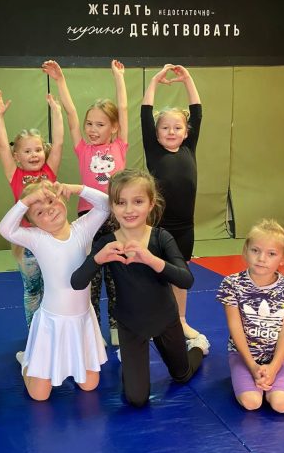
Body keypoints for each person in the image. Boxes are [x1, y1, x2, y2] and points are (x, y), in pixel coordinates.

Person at [71, 168, 209, 408]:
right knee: (136, 399)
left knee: (182, 375)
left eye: (137, 201)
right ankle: (129, 357)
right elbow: (77, 282)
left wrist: (151, 260)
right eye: (121, 202)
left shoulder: (161, 238)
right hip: (130, 323)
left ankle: (197, 346)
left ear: (151, 203)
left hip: (165, 318)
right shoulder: (106, 243)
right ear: (112, 206)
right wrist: (97, 259)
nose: (129, 210)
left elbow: (186, 280)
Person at [42, 59, 128, 346]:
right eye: (89, 123)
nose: (92, 129)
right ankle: (91, 330)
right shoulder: (83, 148)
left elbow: (123, 108)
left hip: (115, 218)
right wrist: (60, 80)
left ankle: (116, 327)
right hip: (88, 218)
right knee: (91, 277)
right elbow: (70, 112)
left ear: (113, 128)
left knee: (116, 276)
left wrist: (119, 78)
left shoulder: (119, 145)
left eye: (100, 124)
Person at [0, 180, 109, 401]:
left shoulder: (82, 229)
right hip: (52, 323)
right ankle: (27, 361)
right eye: (39, 212)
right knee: (39, 396)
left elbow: (106, 205)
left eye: (50, 201)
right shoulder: (37, 238)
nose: (48, 210)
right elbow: (5, 229)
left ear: (61, 198)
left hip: (81, 320)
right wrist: (27, 201)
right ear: (34, 223)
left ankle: (66, 363)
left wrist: (76, 189)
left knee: (90, 386)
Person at [0, 89, 63, 328]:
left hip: (53, 238)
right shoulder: (15, 175)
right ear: (17, 156)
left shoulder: (49, 171)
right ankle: (34, 332)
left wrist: (57, 112)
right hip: (28, 242)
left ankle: (54, 327)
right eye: (27, 151)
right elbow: (3, 146)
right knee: (33, 290)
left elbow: (59, 142)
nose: (34, 155)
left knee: (54, 288)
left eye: (38, 150)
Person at [141, 63, 203, 341]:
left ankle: (180, 319)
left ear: (186, 132)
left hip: (185, 228)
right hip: (158, 227)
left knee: (180, 274)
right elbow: (145, 114)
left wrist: (187, 79)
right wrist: (154, 82)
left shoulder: (189, 148)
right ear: (156, 133)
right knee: (154, 274)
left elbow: (197, 111)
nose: (171, 131)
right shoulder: (154, 150)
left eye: (177, 127)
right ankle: (153, 319)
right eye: (164, 127)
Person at [217, 219, 284, 413]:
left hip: (275, 358)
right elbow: (235, 327)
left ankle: (270, 376)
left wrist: (274, 367)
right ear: (246, 250)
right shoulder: (232, 284)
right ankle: (243, 373)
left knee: (282, 404)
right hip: (243, 356)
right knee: (252, 402)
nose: (261, 258)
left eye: (271, 254)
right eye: (255, 250)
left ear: (283, 258)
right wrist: (252, 366)